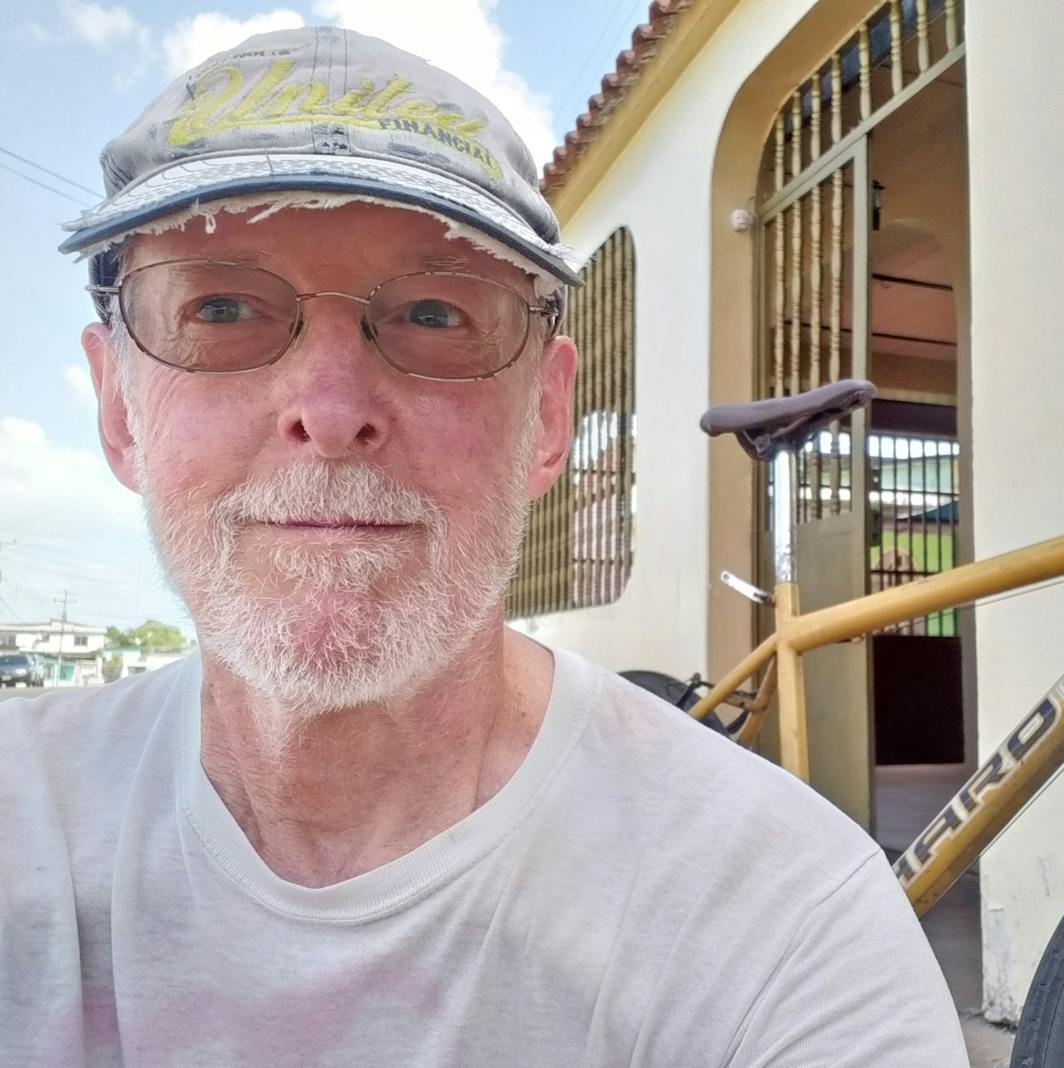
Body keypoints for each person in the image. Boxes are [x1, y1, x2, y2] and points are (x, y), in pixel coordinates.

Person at [3, 27, 968, 1066]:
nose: (330, 413)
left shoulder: (784, 921)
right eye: (222, 308)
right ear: (117, 410)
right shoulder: (26, 826)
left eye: (433, 313)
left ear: (546, 418)